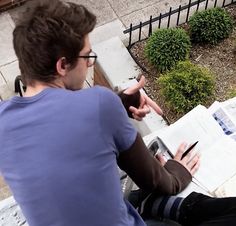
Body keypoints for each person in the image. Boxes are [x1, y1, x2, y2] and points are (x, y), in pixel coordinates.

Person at [0, 1, 235, 226]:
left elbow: (57, 130)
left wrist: (120, 102)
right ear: (62, 66)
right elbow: (154, 180)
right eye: (88, 57)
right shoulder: (100, 105)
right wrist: (177, 174)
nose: (90, 64)